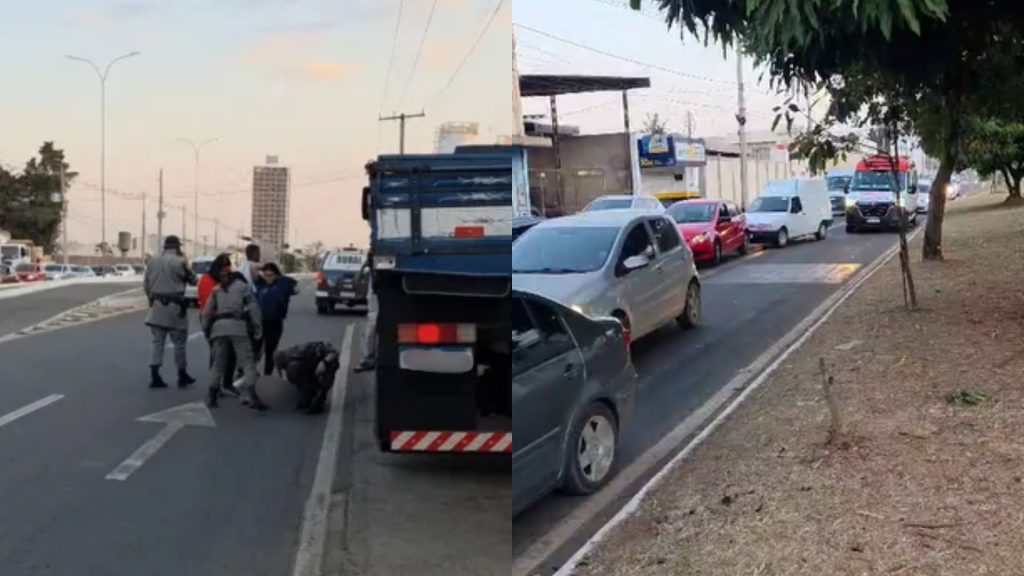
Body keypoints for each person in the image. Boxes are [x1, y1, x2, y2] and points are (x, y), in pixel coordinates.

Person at [202, 263, 266, 410]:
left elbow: (206, 312)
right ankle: (253, 397)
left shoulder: (216, 289)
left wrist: (206, 329)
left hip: (218, 328)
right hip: (237, 327)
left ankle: (212, 396)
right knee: (247, 363)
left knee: (218, 363)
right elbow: (254, 308)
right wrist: (257, 327)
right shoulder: (243, 287)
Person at [144, 235, 197, 388]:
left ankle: (155, 375)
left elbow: (146, 284)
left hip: (157, 306)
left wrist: (151, 301)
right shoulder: (180, 261)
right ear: (177, 247)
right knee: (179, 343)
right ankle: (182, 374)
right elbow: (193, 280)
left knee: (157, 343)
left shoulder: (152, 260)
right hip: (175, 308)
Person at [198, 254, 240, 397]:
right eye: (226, 269)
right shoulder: (218, 282)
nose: (227, 272)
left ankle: (217, 384)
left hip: (208, 319)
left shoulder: (206, 278)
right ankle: (223, 384)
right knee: (227, 354)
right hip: (219, 320)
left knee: (217, 354)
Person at [255, 262, 299, 375]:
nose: (268, 278)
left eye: (271, 275)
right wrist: (262, 267)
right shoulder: (260, 284)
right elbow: (252, 271)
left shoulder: (283, 283)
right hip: (260, 322)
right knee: (255, 350)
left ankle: (267, 375)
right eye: (266, 275)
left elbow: (296, 289)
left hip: (275, 322)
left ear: (276, 275)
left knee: (270, 350)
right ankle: (250, 372)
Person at [273, 342, 340, 414]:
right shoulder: (290, 353)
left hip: (318, 367)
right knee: (302, 400)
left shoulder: (316, 350)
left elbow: (334, 352)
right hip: (307, 370)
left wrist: (324, 362)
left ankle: (319, 395)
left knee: (329, 368)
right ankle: (310, 394)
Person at [353, 250, 376, 373]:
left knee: (370, 334)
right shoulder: (370, 274)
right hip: (372, 311)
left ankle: (369, 359)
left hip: (376, 312)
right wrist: (363, 267)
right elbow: (355, 282)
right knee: (368, 334)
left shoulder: (379, 274)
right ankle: (369, 359)